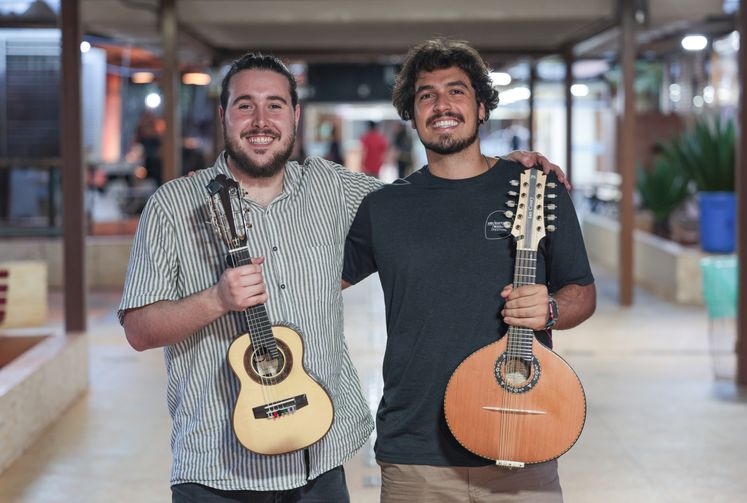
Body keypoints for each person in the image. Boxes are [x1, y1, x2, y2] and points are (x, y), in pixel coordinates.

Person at [119, 51, 567, 502]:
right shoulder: (173, 206)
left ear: (294, 115)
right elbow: (139, 329)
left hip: (320, 462)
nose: (260, 119)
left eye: (274, 104)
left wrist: (495, 172)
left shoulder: (333, 188)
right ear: (224, 115)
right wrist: (214, 301)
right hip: (216, 466)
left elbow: (430, 199)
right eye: (244, 105)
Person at [342, 38, 596, 503]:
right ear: (411, 113)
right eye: (426, 95)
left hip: (523, 438)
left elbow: (582, 291)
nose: (441, 104)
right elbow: (312, 283)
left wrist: (553, 308)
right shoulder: (383, 208)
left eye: (456, 91)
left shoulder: (537, 189)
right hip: (415, 452)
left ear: (482, 107)